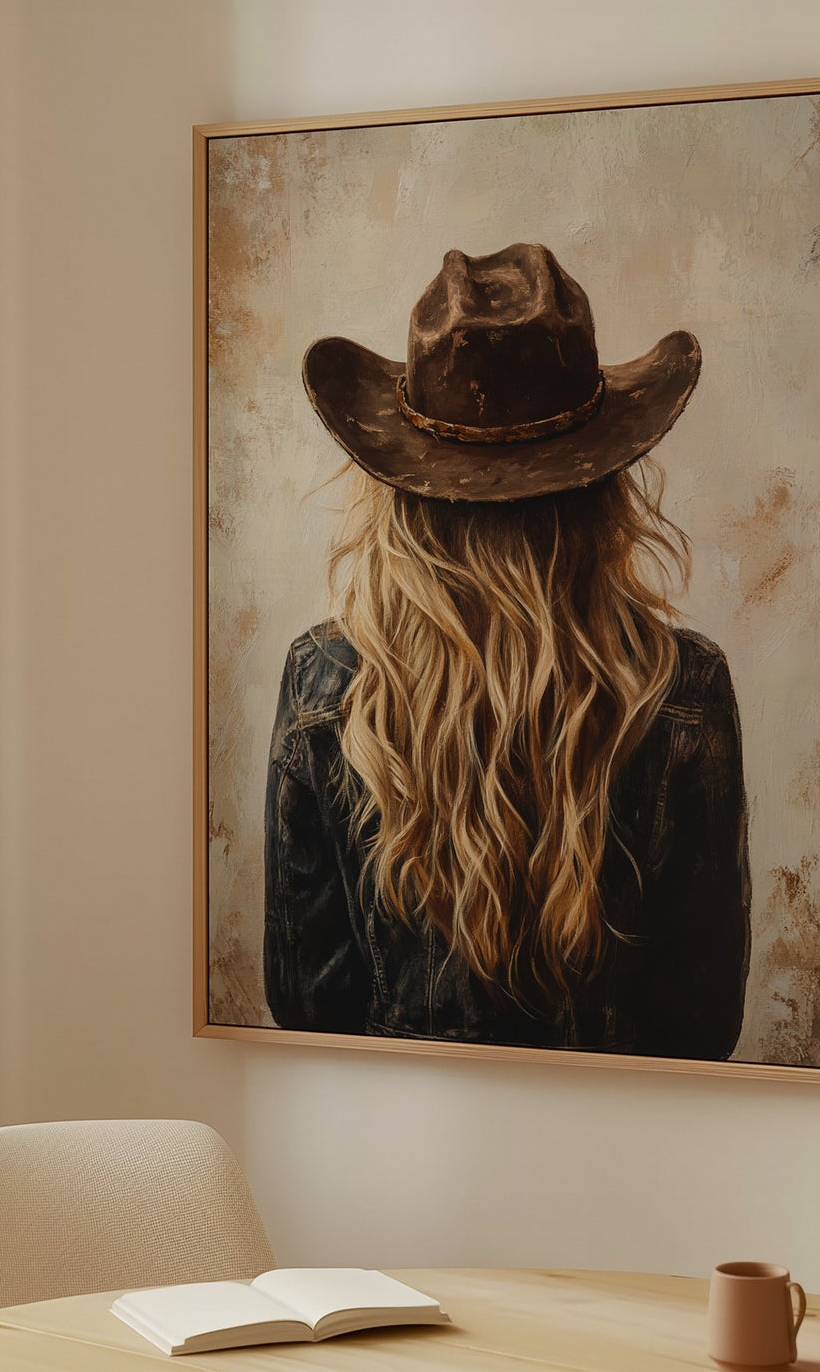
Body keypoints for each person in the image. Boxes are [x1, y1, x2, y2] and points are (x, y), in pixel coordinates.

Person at [263, 244, 751, 1060]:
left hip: (384, 1147)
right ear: (603, 485)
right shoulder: (682, 687)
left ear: (401, 488)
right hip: (638, 1153)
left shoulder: (324, 679)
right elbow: (702, 1024)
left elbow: (306, 1004)